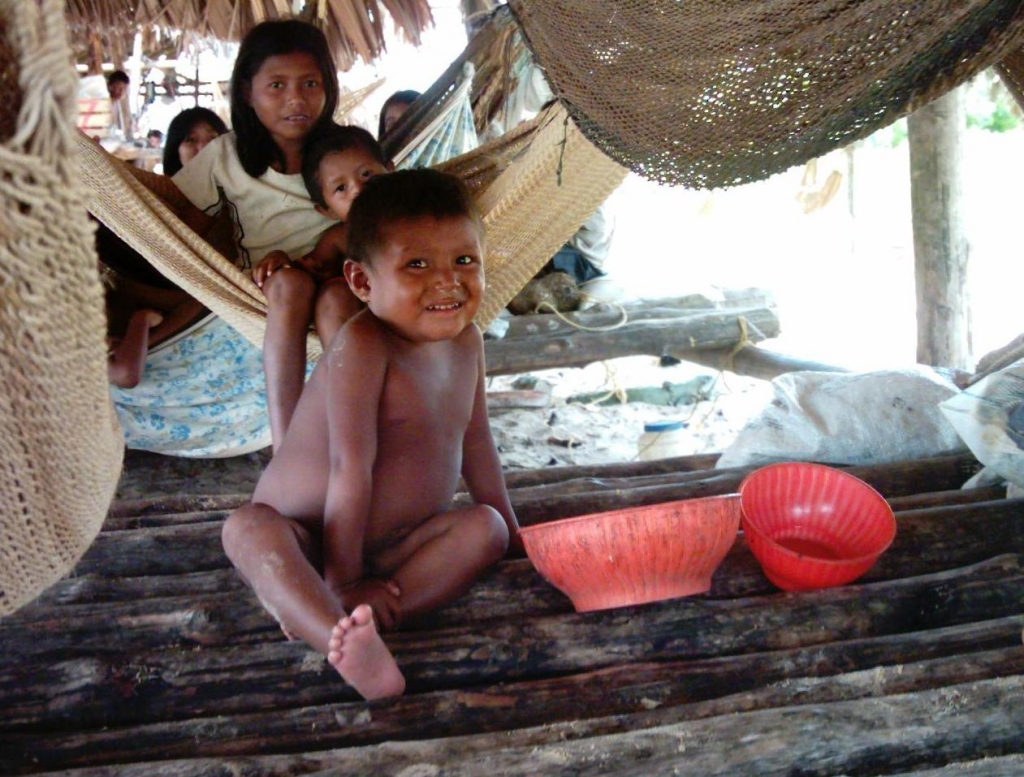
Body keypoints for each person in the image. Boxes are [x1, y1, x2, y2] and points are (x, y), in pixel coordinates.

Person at [220, 168, 523, 700]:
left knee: (488, 529)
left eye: (464, 260)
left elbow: (477, 444)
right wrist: (341, 575)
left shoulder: (467, 341)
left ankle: (353, 617)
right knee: (244, 529)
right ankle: (336, 629)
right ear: (362, 282)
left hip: (395, 548)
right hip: (306, 540)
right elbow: (349, 468)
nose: (448, 280)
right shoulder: (365, 345)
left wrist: (521, 543)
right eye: (417, 264)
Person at [108, 19, 347, 457]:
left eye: (310, 83)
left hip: (340, 276)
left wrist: (324, 254)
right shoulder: (227, 155)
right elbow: (179, 226)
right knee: (288, 286)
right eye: (276, 85)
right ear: (247, 93)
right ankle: (290, 449)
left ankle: (349, 440)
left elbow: (381, 214)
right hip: (262, 290)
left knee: (334, 305)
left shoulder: (347, 151)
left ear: (328, 86)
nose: (296, 98)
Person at [253, 123, 393, 448]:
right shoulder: (338, 238)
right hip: (353, 326)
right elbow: (310, 268)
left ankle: (357, 424)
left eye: (367, 175)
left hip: (403, 320)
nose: (358, 190)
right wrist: (279, 258)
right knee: (332, 297)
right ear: (326, 210)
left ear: (392, 170)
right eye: (341, 188)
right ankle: (347, 421)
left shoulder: (418, 220)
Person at [162, 107, 229, 176]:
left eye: (213, 138)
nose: (203, 148)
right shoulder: (163, 186)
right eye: (191, 140)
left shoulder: (238, 185)